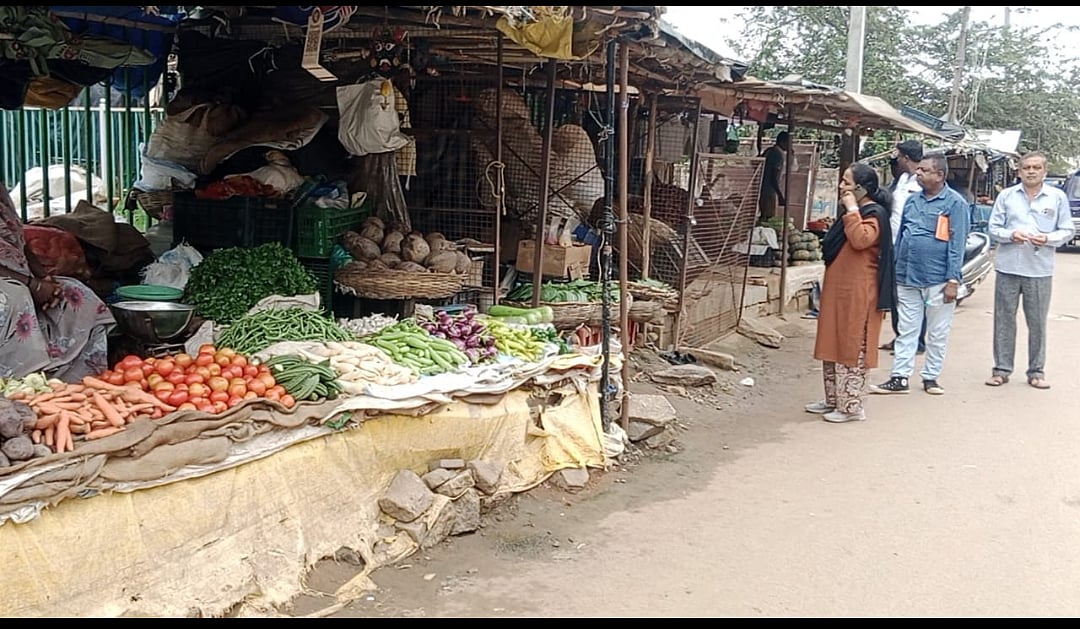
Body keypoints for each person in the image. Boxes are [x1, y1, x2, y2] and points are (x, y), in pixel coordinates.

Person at [871, 154, 969, 396]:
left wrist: (953, 280)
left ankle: (931, 377)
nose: (919, 173)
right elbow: (902, 234)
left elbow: (957, 244)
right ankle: (899, 377)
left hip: (939, 279)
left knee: (937, 332)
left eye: (925, 170)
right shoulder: (912, 201)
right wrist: (895, 268)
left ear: (940, 176)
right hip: (906, 276)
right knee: (906, 329)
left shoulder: (955, 204)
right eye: (920, 169)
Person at [805, 162, 895, 423]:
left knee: (853, 344)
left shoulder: (874, 214)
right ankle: (834, 399)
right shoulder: (852, 212)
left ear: (861, 188)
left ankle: (852, 407)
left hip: (860, 293)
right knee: (833, 340)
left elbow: (861, 240)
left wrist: (853, 210)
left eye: (846, 182)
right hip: (839, 291)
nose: (841, 186)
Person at [0, 182, 116, 383]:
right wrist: (32, 286)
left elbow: (19, 237)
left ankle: (73, 387)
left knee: (74, 293)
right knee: (15, 297)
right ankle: (19, 387)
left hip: (19, 275)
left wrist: (42, 277)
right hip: (11, 285)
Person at [985, 151, 1074, 389]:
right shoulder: (1006, 196)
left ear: (1044, 171)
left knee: (1037, 322)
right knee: (1004, 320)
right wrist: (1010, 234)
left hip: (1039, 269)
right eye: (1026, 168)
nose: (1031, 172)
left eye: (1036, 167)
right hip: (1008, 267)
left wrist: (1048, 238)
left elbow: (1067, 230)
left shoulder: (1056, 198)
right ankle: (1001, 369)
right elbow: (993, 228)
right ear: (1019, 171)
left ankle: (1036, 371)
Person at [880, 140, 927, 354]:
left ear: (906, 158)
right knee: (897, 294)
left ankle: (916, 341)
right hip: (893, 244)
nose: (895, 160)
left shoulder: (921, 183)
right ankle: (901, 336)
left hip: (911, 246)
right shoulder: (902, 180)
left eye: (898, 157)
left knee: (914, 296)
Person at [758, 131, 790, 220]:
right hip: (769, 191)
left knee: (764, 216)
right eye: (789, 143)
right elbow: (773, 176)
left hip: (762, 189)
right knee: (768, 218)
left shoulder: (769, 150)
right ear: (783, 142)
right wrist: (780, 195)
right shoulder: (778, 154)